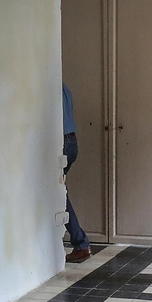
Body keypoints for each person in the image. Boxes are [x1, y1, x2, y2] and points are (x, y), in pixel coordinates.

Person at [62, 83, 91, 264]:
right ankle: (80, 243)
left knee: (57, 193)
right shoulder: (64, 87)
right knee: (58, 191)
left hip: (60, 142)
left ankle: (80, 243)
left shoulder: (45, 86)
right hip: (71, 141)